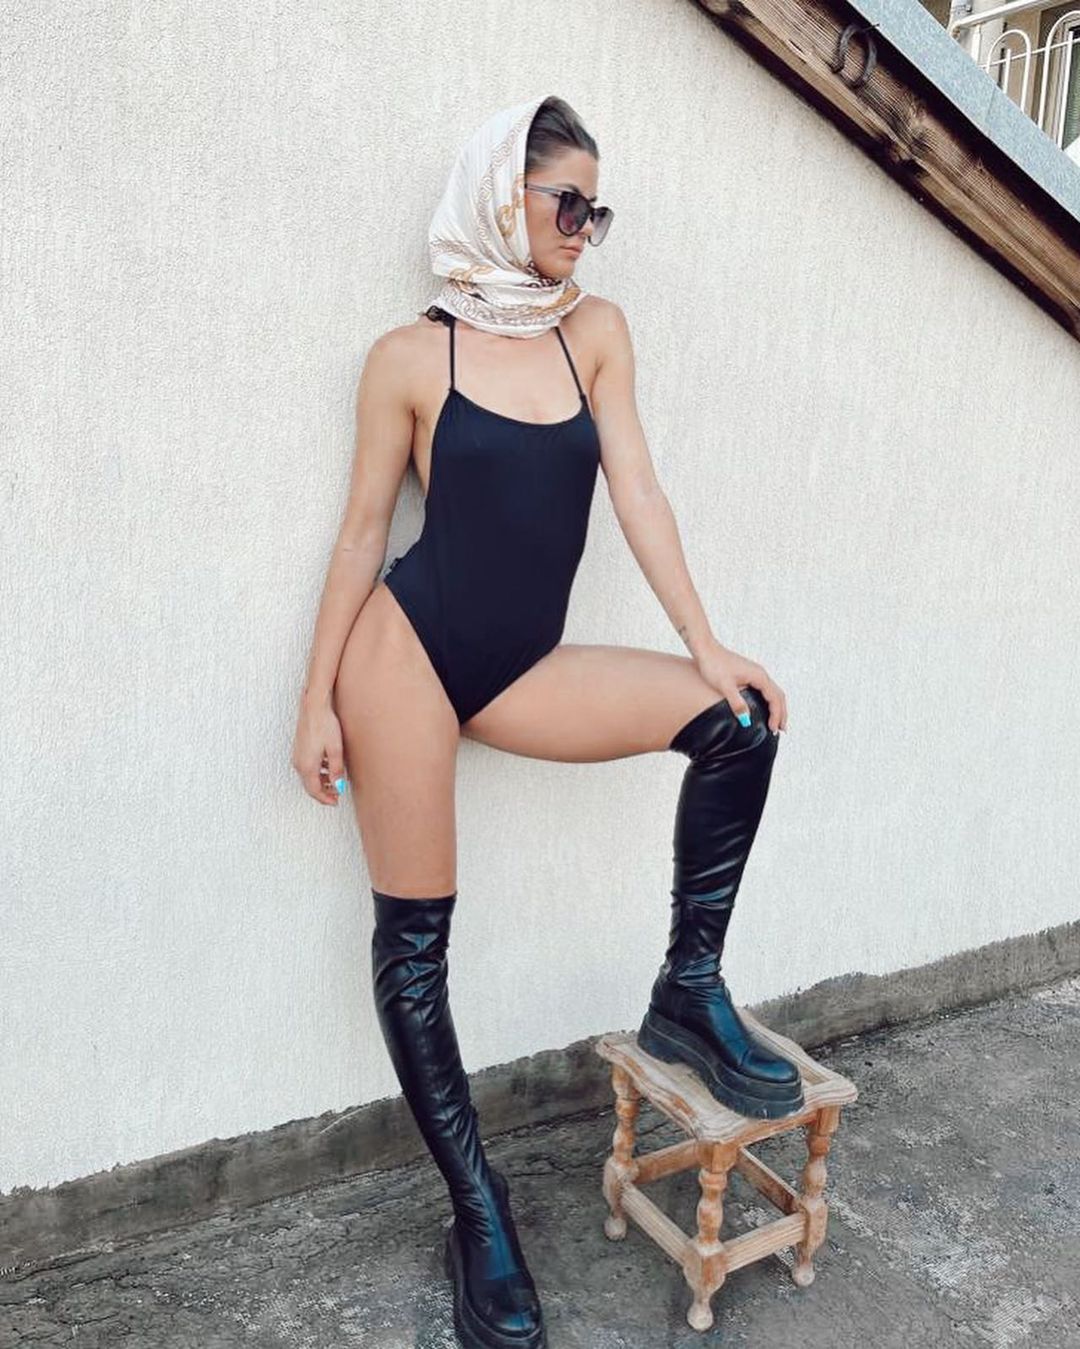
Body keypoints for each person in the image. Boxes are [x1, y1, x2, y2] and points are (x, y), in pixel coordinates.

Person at [292, 93, 803, 1349]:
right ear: (500, 197)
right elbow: (362, 534)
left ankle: (688, 987)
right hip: (405, 658)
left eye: (596, 209)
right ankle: (479, 1209)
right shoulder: (410, 359)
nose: (583, 227)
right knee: (417, 943)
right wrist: (314, 697)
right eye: (565, 202)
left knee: (737, 725)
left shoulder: (597, 335)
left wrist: (707, 644)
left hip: (522, 664)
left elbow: (640, 493)